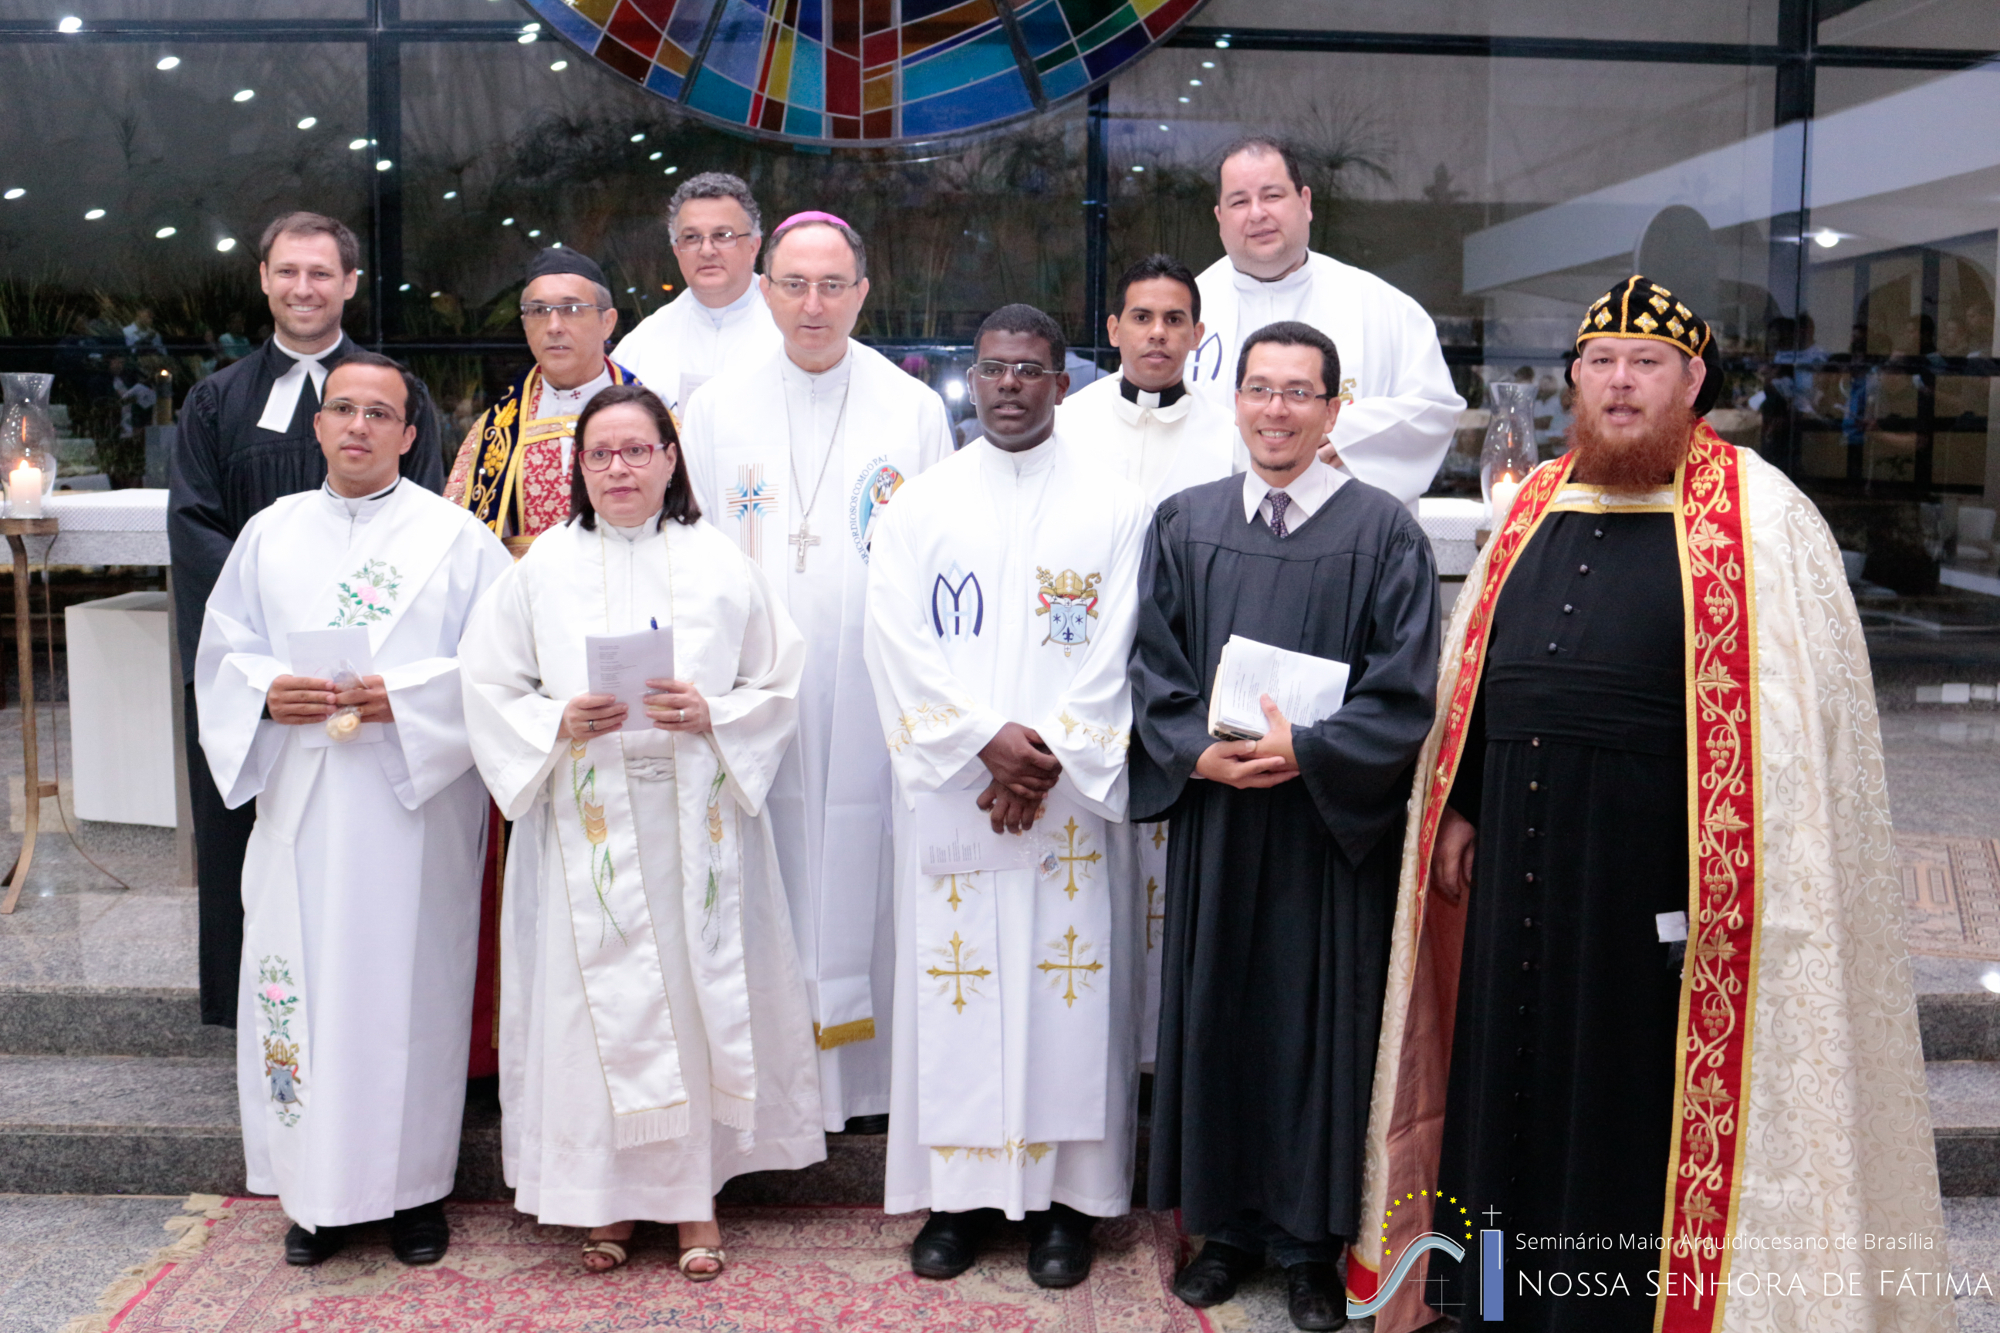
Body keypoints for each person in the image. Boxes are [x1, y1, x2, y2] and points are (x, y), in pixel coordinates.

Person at [1354, 277, 1953, 1333]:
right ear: (1572, 382)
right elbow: (1477, 681)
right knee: (1507, 1093)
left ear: (1692, 382)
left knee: (1622, 1108)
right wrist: (1456, 802)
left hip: (1659, 878)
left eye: (1645, 363)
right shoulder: (1534, 498)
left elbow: (1793, 736)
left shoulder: (1760, 517)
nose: (1619, 382)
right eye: (1600, 362)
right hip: (1518, 861)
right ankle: (1494, 1307)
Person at [459, 384, 823, 1281]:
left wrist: (712, 710)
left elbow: (777, 684)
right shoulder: (540, 567)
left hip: (693, 829)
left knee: (695, 1002)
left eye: (636, 450)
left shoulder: (721, 563)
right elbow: (488, 686)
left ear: (670, 458)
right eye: (600, 454)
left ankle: (694, 1198)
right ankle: (605, 1196)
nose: (619, 468)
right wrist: (555, 721)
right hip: (585, 835)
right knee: (592, 1011)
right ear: (578, 468)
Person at [1130, 321, 1439, 1332]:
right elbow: (1154, 667)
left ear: (1332, 408)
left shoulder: (1382, 531)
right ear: (1235, 400)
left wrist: (1311, 750)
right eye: (1259, 388)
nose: (1275, 409)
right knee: (1217, 1014)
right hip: (1223, 815)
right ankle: (1223, 1233)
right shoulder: (1184, 522)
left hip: (1322, 829)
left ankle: (1310, 1245)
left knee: (1319, 1030)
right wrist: (1192, 749)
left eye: (1298, 392)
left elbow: (1403, 690)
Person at [195, 351, 511, 1267]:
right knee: (306, 984)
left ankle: (415, 1192)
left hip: (412, 805)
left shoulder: (457, 541)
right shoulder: (269, 533)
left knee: (410, 989)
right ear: (319, 425)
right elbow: (225, 654)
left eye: (381, 413)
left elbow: (497, 670)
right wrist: (265, 693)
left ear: (411, 435)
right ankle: (315, 1194)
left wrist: (401, 697)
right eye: (343, 410)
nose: (359, 427)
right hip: (302, 802)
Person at [864, 304, 1148, 1289]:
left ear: (1062, 384)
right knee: (959, 991)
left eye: (1029, 370)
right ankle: (959, 1201)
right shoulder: (919, 506)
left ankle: (1067, 1208)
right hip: (957, 795)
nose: (1010, 386)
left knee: (1067, 998)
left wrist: (1048, 756)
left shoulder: (1115, 505)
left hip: (1064, 801)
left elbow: (1120, 648)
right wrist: (983, 744)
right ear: (969, 381)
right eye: (992, 370)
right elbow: (892, 642)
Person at [680, 211, 952, 1135]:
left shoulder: (911, 409)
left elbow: (934, 560)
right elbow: (695, 557)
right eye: (794, 284)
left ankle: (866, 1087)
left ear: (862, 294)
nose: (812, 304)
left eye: (833, 285)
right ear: (765, 290)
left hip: (874, 694)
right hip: (756, 695)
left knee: (865, 866)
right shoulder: (715, 408)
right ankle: (779, 1081)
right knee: (769, 875)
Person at [170, 210, 446, 1029]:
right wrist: (265, 660)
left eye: (321, 273)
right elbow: (195, 528)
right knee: (243, 846)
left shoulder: (394, 394)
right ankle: (253, 1013)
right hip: (263, 673)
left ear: (351, 284)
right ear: (264, 279)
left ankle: (368, 1013)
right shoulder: (216, 401)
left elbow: (423, 525)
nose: (303, 287)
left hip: (370, 679)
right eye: (288, 271)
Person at [1056, 252, 1243, 1065]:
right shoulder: (1069, 424)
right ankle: (1096, 1061)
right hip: (1082, 684)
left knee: (1175, 893)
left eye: (1174, 319)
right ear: (1113, 330)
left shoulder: (1232, 432)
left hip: (1187, 688)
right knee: (1092, 886)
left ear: (1199, 335)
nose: (1158, 333)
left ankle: (1166, 1067)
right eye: (1142, 317)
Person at [1185, 136, 1464, 508]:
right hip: (1217, 537)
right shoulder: (1182, 313)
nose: (1256, 214)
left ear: (1305, 202)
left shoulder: (1383, 307)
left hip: (1346, 541)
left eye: (1271, 196)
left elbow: (1436, 410)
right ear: (1219, 218)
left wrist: (1348, 433)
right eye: (1239, 201)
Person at [446, 248, 639, 558]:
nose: (553, 326)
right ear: (524, 324)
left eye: (572, 309)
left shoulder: (652, 423)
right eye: (537, 311)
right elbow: (462, 546)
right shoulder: (493, 430)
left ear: (608, 322)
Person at [613, 172, 782, 412]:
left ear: (754, 246)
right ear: (676, 250)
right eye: (691, 237)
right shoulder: (641, 346)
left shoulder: (793, 329)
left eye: (723, 236)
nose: (706, 250)